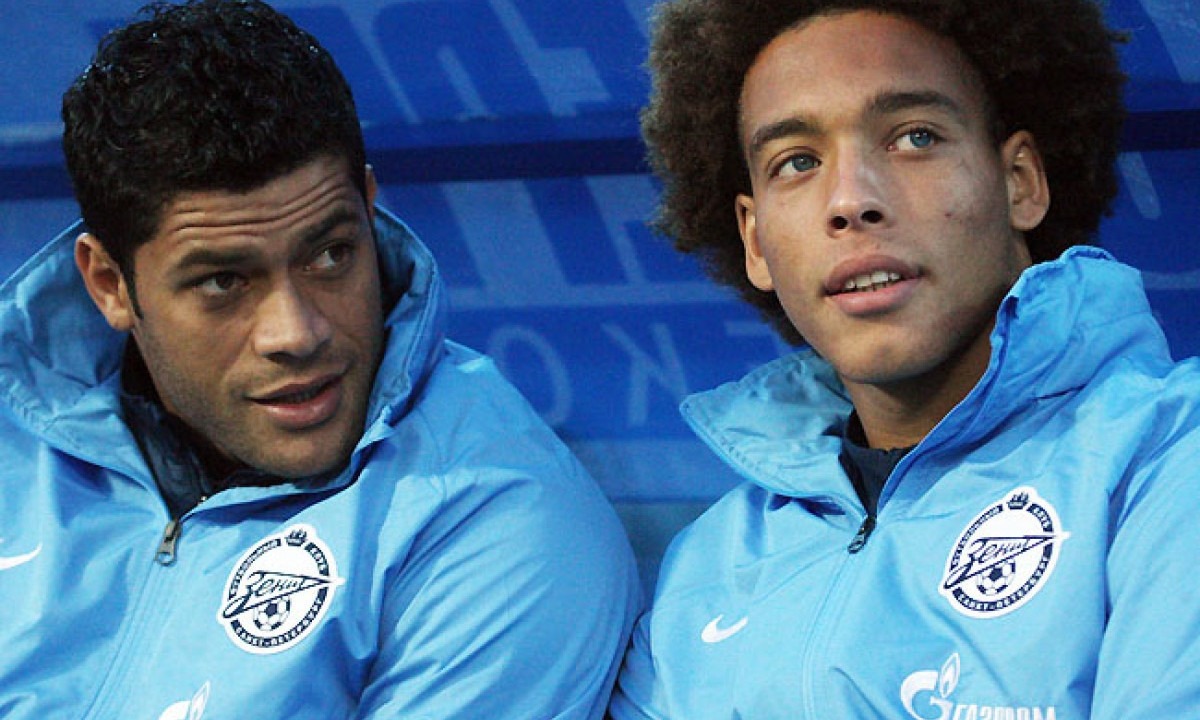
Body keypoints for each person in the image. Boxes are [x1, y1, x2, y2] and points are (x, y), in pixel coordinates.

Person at [0, 1, 641, 717]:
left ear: (368, 208)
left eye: (330, 255)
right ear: (110, 285)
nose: (295, 332)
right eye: (224, 282)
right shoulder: (13, 450)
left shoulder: (502, 519)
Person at [609, 0, 1200, 717]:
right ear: (756, 239)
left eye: (914, 137)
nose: (852, 200)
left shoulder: (1170, 458)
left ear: (1020, 182)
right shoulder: (710, 564)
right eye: (796, 161)